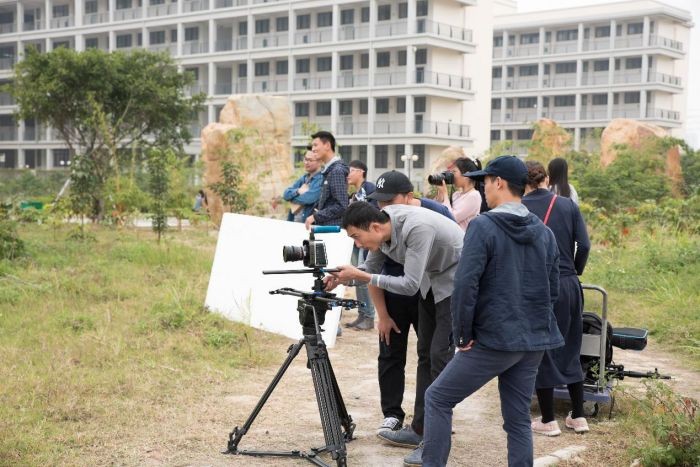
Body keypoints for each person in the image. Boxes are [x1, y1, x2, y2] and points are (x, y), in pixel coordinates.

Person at [420, 155, 564, 467]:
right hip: (533, 340)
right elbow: (552, 290)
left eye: (485, 181)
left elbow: (465, 285)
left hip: (495, 338)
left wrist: (463, 335)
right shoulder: (544, 232)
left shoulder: (483, 226)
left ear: (499, 182)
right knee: (518, 419)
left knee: (437, 397)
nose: (483, 187)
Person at [324, 196, 463, 466]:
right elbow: (369, 269)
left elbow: (409, 285)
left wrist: (363, 276)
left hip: (455, 285)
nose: (357, 244)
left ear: (374, 227)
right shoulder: (383, 229)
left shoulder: (417, 228)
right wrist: (343, 277)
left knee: (439, 358)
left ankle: (433, 444)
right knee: (426, 355)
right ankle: (419, 429)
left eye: (357, 237)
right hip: (431, 284)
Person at [365, 171, 456, 443]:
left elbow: (454, 250)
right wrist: (381, 314)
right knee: (395, 352)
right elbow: (370, 270)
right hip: (397, 292)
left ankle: (433, 421)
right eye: (379, 201)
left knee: (436, 355)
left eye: (389, 201)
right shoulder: (381, 223)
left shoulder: (432, 215)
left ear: (408, 197)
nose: (383, 207)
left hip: (431, 290)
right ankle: (400, 417)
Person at [523, 160, 591, 436]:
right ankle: (579, 416)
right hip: (569, 284)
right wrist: (574, 270)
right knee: (571, 346)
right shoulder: (567, 205)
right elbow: (584, 245)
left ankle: (548, 419)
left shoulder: (519, 208)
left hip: (537, 285)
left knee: (543, 350)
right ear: (546, 179)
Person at [345, 160, 377, 331]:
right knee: (358, 277)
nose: (348, 174)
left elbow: (373, 213)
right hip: (356, 240)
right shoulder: (354, 194)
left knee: (363, 277)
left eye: (351, 170)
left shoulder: (369, 189)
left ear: (361, 172)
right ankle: (362, 314)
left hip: (366, 239)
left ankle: (369, 316)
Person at [304, 131, 348, 229]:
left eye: (315, 145)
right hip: (326, 228)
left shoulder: (336, 171)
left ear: (327, 145)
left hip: (333, 230)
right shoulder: (329, 170)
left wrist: (316, 216)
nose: (313, 149)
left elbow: (341, 206)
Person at [434, 152, 484, 231]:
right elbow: (438, 211)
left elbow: (451, 217)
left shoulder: (474, 196)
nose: (452, 175)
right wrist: (441, 194)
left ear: (467, 175)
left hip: (462, 238)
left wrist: (445, 194)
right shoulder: (456, 194)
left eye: (454, 172)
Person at [282, 146, 323, 223]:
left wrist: (291, 199)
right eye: (305, 159)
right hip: (293, 221)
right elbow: (285, 194)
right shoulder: (304, 178)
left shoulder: (321, 179)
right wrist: (298, 191)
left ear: (320, 161)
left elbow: (309, 198)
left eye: (310, 160)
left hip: (308, 224)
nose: (306, 162)